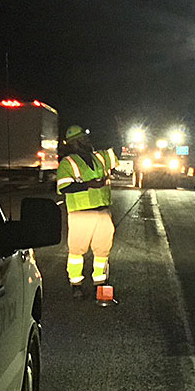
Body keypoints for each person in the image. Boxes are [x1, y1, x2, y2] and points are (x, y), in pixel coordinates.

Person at [56, 124, 116, 297]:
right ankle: (76, 285)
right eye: (82, 139)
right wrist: (89, 185)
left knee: (103, 250)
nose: (86, 141)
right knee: (77, 252)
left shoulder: (99, 157)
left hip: (103, 211)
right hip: (80, 213)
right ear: (74, 143)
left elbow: (115, 150)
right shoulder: (67, 163)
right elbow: (64, 187)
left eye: (86, 137)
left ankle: (100, 282)